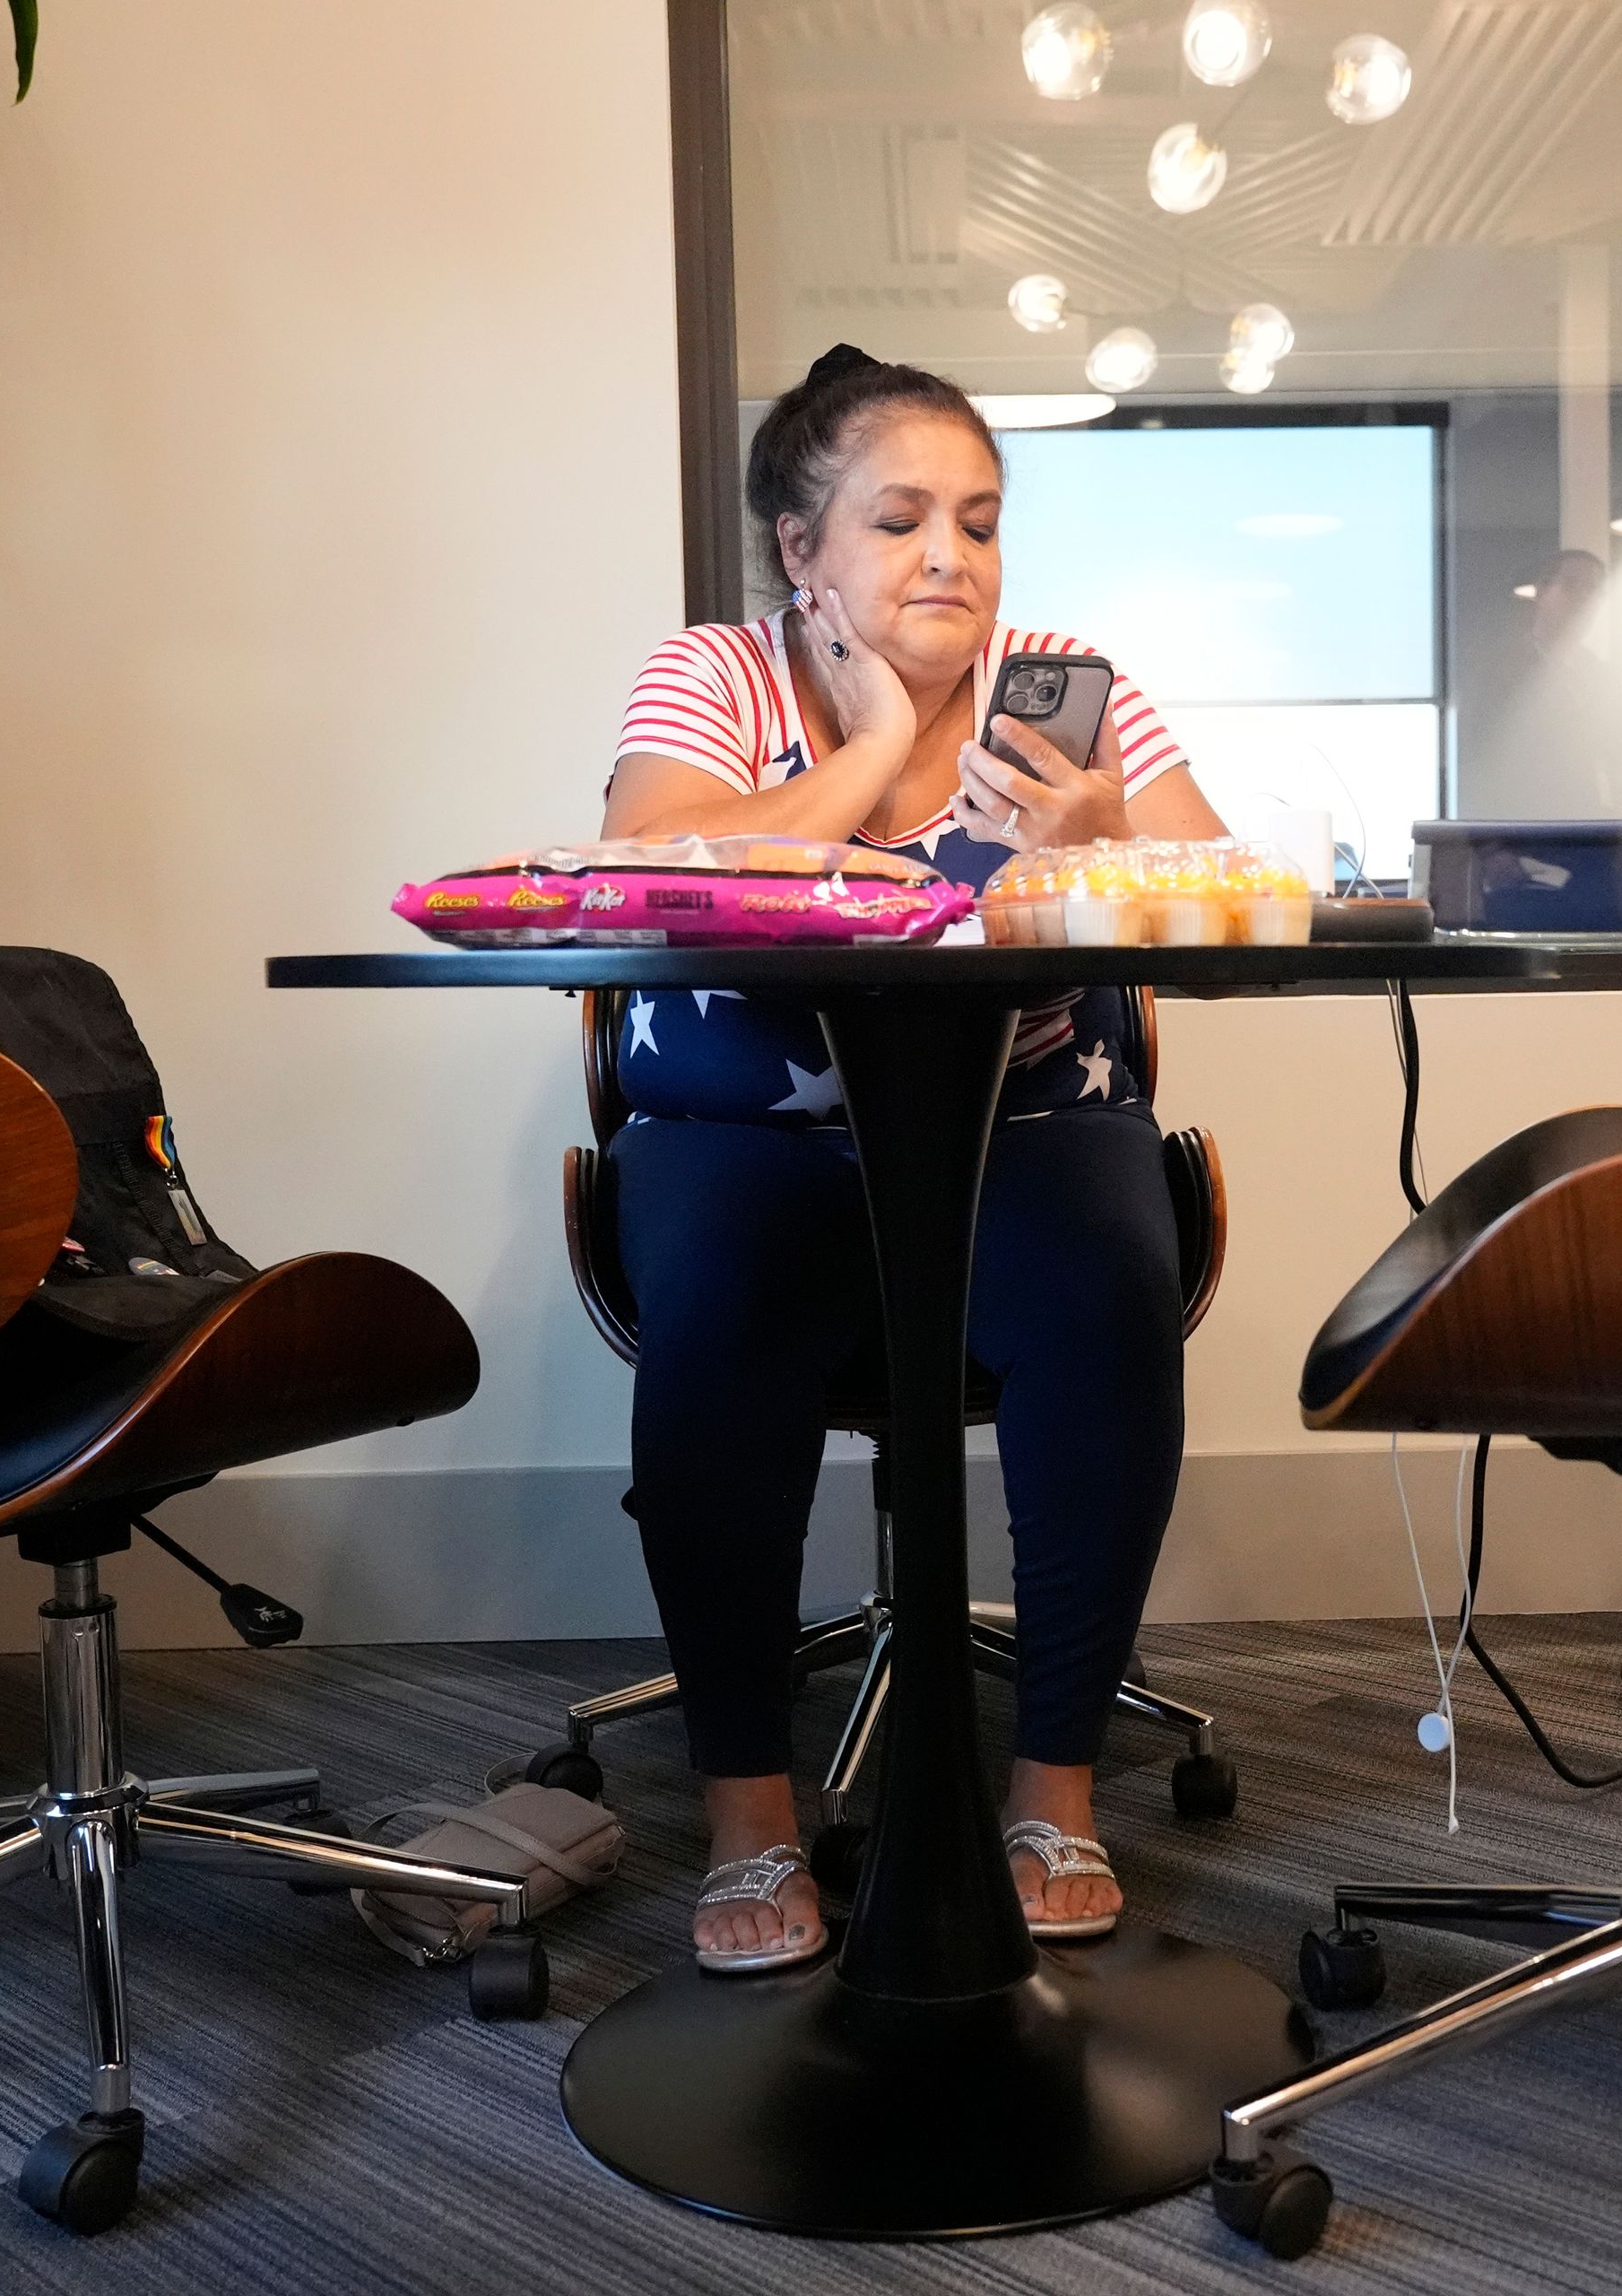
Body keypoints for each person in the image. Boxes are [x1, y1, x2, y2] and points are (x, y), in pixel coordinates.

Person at [599, 344, 1231, 1973]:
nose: (951, 554)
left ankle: (1054, 1789)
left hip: (1027, 1119)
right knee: (722, 1320)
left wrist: (1099, 836)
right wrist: (878, 748)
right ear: (803, 552)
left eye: (979, 518)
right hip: (758, 1130)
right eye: (898, 520)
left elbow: (1222, 890)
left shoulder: (1065, 685)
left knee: (1106, 1298)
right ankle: (751, 1818)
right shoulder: (715, 678)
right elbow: (651, 873)